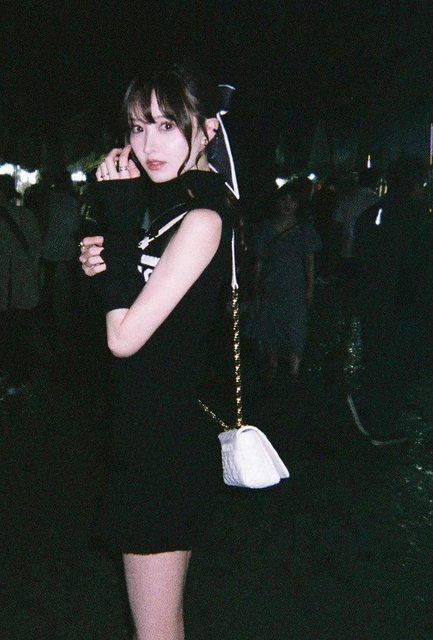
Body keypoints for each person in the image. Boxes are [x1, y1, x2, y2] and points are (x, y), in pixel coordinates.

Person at [79, 62, 236, 640]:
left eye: (168, 126)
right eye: (138, 127)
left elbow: (123, 339)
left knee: (155, 631)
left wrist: (119, 229)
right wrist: (106, 268)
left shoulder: (201, 217)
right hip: (148, 431)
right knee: (163, 624)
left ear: (208, 130)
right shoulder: (171, 210)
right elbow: (138, 311)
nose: (148, 146)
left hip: (164, 442)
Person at [348, 157, 433, 445]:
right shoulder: (417, 217)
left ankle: (371, 407)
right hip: (405, 306)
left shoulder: (373, 214)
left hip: (375, 302)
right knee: (399, 366)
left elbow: (361, 258)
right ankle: (381, 424)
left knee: (378, 358)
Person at [246, 179, 321, 378]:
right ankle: (273, 365)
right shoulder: (266, 227)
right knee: (271, 323)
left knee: (296, 325)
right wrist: (256, 284)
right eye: (284, 200)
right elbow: (259, 260)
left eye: (292, 201)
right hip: (272, 284)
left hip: (295, 285)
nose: (288, 205)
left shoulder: (304, 229)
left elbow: (310, 262)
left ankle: (294, 370)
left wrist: (310, 289)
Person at [0, 175, 41, 392]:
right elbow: (35, 252)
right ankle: (19, 378)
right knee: (21, 335)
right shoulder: (27, 216)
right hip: (23, 287)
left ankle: (8, 375)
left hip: (5, 289)